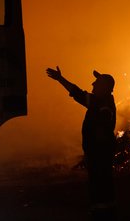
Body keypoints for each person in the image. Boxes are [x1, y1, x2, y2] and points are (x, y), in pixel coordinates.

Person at [46, 66, 117, 220]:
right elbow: (77, 93)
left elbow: (78, 94)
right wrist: (60, 79)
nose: (92, 84)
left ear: (105, 87)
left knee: (100, 183)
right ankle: (105, 211)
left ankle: (102, 213)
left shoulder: (102, 103)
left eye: (96, 83)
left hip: (99, 152)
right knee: (102, 182)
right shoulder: (99, 101)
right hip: (99, 151)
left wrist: (95, 150)